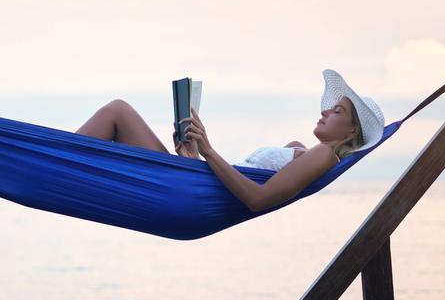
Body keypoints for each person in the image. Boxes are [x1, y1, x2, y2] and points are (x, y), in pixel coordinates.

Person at [76, 70, 384, 213]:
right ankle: (60, 164)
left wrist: (208, 150)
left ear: (350, 133)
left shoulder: (324, 155)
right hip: (195, 184)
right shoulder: (300, 150)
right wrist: (193, 155)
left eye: (337, 111)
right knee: (118, 114)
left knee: (118, 112)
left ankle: (57, 162)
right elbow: (234, 182)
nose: (324, 110)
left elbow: (257, 199)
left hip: (193, 197)